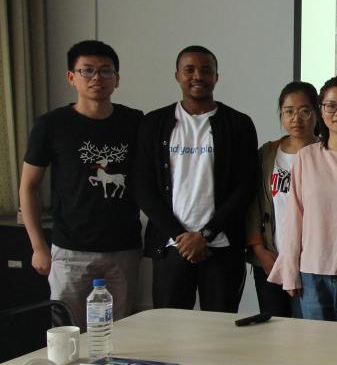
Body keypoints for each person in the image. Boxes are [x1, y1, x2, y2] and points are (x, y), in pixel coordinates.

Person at [19, 40, 143, 329]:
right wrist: (38, 246)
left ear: (117, 78)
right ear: (71, 77)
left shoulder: (135, 121)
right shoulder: (51, 125)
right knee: (67, 330)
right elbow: (28, 187)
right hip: (70, 250)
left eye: (105, 71)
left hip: (123, 248)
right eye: (87, 71)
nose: (96, 78)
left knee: (122, 332)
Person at [134, 45, 258, 312]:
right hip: (171, 246)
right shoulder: (154, 123)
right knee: (170, 327)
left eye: (205, 70)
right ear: (177, 76)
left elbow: (246, 186)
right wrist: (181, 236)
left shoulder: (239, 124)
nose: (197, 76)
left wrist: (205, 234)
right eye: (189, 70)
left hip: (222, 246)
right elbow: (143, 187)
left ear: (216, 77)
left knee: (220, 327)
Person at [268, 77, 337, 322]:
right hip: (311, 272)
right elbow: (295, 218)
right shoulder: (306, 157)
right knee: (314, 343)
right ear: (321, 111)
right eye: (331, 106)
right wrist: (290, 270)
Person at [245, 81, 319, 317]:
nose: (296, 119)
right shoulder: (267, 153)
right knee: (274, 326)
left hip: (312, 262)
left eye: (305, 111)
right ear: (281, 114)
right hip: (271, 257)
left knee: (307, 328)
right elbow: (253, 204)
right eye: (289, 111)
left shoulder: (326, 153)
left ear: (317, 112)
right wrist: (259, 250)